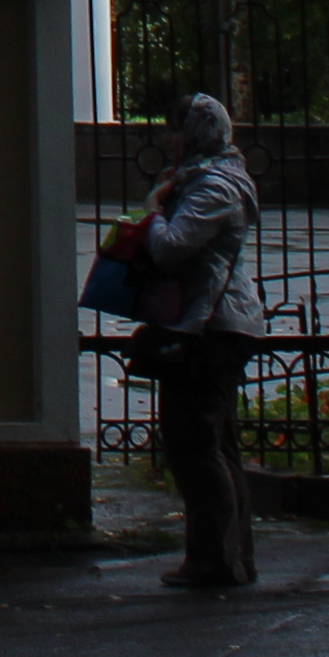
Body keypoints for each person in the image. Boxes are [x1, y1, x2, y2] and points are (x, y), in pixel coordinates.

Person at [135, 91, 270, 588]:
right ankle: (231, 558)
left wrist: (153, 211)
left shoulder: (213, 186)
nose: (170, 139)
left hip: (211, 328)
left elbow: (170, 249)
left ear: (197, 132)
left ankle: (214, 560)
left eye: (176, 129)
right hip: (216, 325)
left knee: (194, 443)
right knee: (215, 443)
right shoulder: (207, 179)